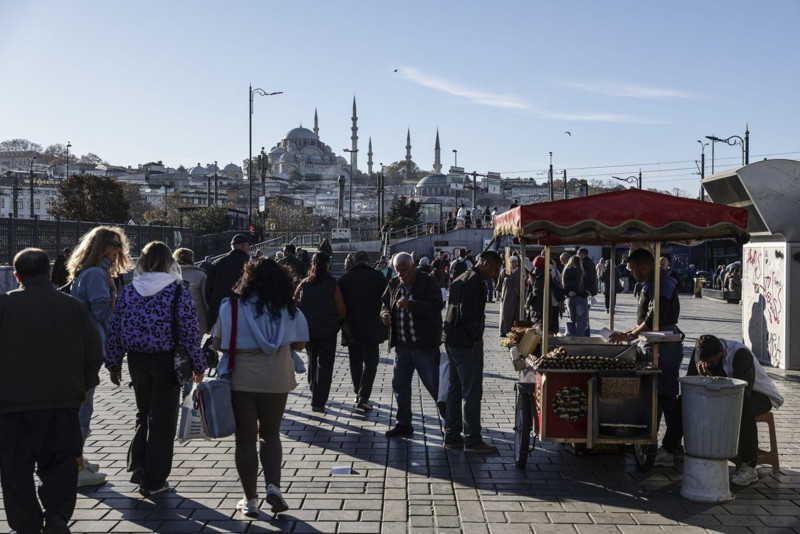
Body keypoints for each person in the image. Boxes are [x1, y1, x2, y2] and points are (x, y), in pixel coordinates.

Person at [0, 248, 103, 534]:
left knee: (15, 470)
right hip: (62, 402)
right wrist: (85, 383)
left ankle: (27, 524)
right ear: (49, 272)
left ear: (17, 275)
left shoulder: (4, 306)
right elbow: (94, 353)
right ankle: (57, 516)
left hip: (11, 406)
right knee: (60, 463)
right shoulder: (71, 306)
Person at [106, 241, 205, 497]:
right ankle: (154, 479)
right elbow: (189, 331)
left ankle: (139, 464)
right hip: (167, 360)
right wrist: (198, 364)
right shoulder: (176, 290)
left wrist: (114, 364)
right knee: (163, 421)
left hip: (137, 361)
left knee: (144, 413)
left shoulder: (128, 291)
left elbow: (115, 330)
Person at [212, 258, 309, 517]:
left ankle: (250, 499)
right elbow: (300, 344)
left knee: (245, 437)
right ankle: (274, 486)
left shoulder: (231, 307)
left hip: (241, 377)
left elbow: (218, 344)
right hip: (277, 377)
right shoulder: (289, 310)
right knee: (271, 433)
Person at [657, 335, 783, 486]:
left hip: (758, 394)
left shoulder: (740, 354)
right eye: (706, 362)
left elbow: (741, 391)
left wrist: (712, 378)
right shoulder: (699, 355)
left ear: (722, 352)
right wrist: (701, 377)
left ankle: (749, 466)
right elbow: (691, 385)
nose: (709, 365)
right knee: (685, 400)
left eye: (712, 362)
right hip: (723, 392)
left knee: (742, 408)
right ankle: (669, 449)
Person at [68, 225, 133, 487]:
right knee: (83, 409)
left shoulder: (92, 272)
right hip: (90, 349)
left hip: (85, 347)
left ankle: (78, 458)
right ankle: (75, 467)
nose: (119, 251)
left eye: (119, 246)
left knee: (83, 407)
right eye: (114, 245)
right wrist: (116, 294)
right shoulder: (96, 274)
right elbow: (104, 314)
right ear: (101, 247)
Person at [608, 247, 683, 442]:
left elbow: (653, 318)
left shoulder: (661, 283)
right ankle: (651, 438)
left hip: (663, 345)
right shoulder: (651, 283)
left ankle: (672, 446)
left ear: (644, 267)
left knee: (665, 395)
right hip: (653, 341)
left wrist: (630, 336)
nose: (631, 274)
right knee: (653, 395)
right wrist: (628, 333)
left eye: (633, 269)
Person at [442, 250, 503, 453]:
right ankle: (473, 439)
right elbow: (468, 314)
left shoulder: (461, 277)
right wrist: (476, 337)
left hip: (452, 340)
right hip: (467, 344)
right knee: (472, 392)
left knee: (455, 390)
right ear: (484, 262)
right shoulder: (476, 282)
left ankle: (452, 435)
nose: (494, 274)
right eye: (494, 269)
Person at [381, 252, 443, 437]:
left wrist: (411, 305)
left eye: (404, 270)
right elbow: (384, 303)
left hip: (424, 346)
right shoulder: (393, 284)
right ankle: (403, 424)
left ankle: (452, 424)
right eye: (397, 271)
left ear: (413, 266)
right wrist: (384, 314)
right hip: (402, 346)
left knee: (434, 385)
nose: (401, 275)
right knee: (400, 385)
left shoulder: (428, 282)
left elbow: (436, 306)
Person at [294, 252, 346, 413]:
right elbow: (342, 310)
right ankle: (319, 400)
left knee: (312, 360)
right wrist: (338, 320)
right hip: (328, 331)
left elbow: (293, 303)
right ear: (327, 265)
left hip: (308, 330)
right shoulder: (333, 284)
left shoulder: (304, 284)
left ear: (313, 265)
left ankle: (314, 390)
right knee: (325, 366)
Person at [338, 250, 389, 411]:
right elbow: (386, 300)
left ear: (354, 261)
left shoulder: (345, 279)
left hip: (351, 327)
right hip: (372, 327)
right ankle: (364, 396)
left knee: (355, 362)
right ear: (368, 261)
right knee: (371, 362)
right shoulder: (378, 277)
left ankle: (357, 392)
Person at [206, 234, 251, 330]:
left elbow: (208, 289)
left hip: (219, 310)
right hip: (242, 311)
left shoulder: (217, 263)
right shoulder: (250, 263)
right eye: (248, 246)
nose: (249, 249)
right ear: (242, 246)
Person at [173, 247, 209, 336]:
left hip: (173, 320)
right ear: (191, 259)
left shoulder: (168, 275)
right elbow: (206, 299)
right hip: (197, 320)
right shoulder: (201, 275)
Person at [526, 255, 565, 334]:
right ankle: (544, 341)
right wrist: (562, 295)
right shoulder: (546, 274)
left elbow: (529, 289)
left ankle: (535, 339)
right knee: (545, 322)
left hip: (533, 301)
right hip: (545, 300)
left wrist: (526, 302)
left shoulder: (531, 273)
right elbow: (553, 287)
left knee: (535, 320)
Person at [562, 255, 588, 337]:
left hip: (569, 298)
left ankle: (570, 338)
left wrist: (568, 293)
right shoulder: (582, 271)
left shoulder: (565, 271)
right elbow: (587, 285)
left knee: (571, 319)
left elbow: (563, 286)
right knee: (581, 321)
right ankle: (580, 339)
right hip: (580, 297)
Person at [498, 256, 521, 337]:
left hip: (518, 296)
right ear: (510, 263)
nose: (516, 263)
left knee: (517, 314)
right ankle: (503, 331)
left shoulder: (521, 272)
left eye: (517, 261)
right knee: (506, 313)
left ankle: (516, 332)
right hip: (507, 296)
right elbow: (500, 283)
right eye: (514, 262)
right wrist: (498, 292)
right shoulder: (505, 271)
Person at [577, 248, 597, 335]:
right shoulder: (588, 262)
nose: (577, 255)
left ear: (583, 254)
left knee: (584, 316)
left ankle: (585, 333)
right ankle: (586, 333)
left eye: (578, 253)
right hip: (589, 291)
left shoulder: (585, 263)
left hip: (586, 291)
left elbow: (587, 277)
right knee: (585, 315)